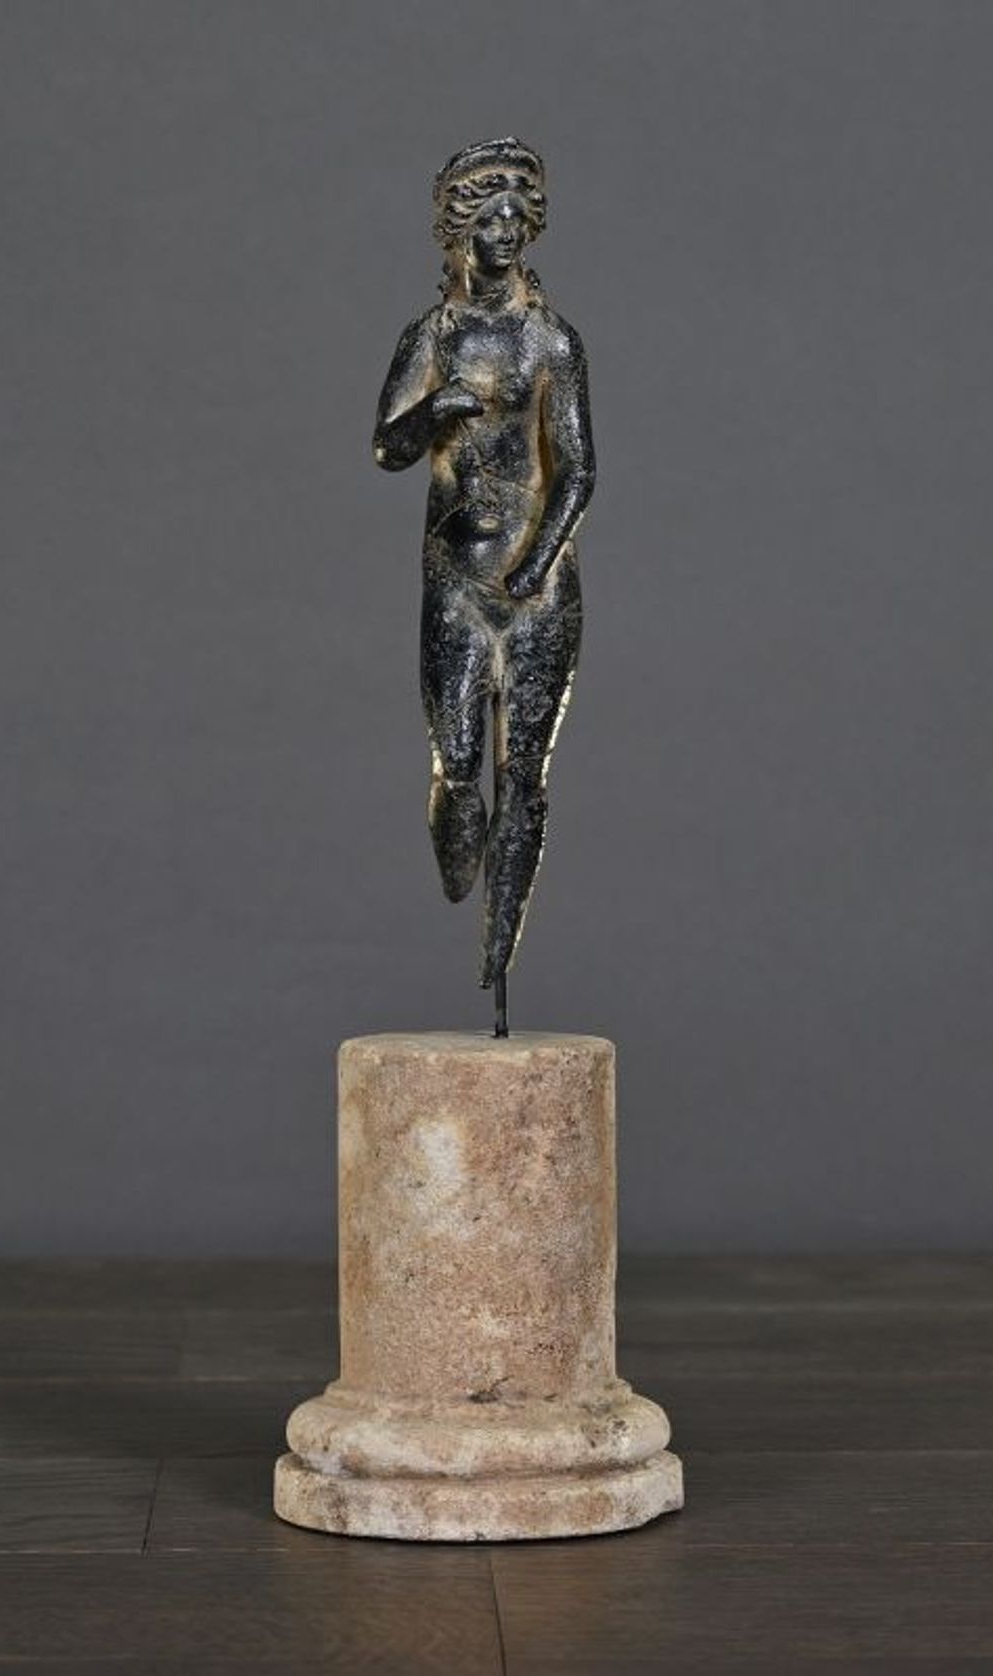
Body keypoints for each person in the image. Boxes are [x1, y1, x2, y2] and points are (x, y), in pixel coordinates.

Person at [372, 138, 595, 1031]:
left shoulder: (551, 341)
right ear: (459, 230)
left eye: (517, 218)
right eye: (489, 218)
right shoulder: (432, 338)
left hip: (536, 590)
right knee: (461, 765)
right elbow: (388, 446)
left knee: (525, 776)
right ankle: (459, 846)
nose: (505, 232)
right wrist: (437, 408)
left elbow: (577, 471)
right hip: (458, 582)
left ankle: (498, 946)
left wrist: (538, 563)